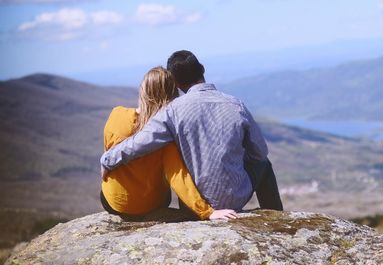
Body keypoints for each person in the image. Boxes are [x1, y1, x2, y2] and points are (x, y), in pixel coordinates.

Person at [101, 51, 283, 213]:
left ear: (176, 82)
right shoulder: (236, 104)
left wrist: (108, 160)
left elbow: (138, 143)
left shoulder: (172, 112)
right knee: (264, 165)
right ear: (202, 69)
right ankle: (276, 218)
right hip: (236, 198)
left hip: (194, 202)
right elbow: (259, 152)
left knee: (184, 157)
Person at [101, 66, 238, 220]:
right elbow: (178, 176)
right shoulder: (165, 136)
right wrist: (207, 212)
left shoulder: (116, 115)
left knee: (106, 191)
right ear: (172, 95)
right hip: (150, 204)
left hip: (116, 203)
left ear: (143, 91)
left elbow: (109, 149)